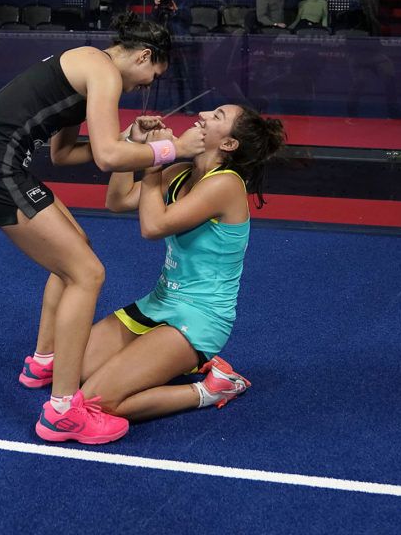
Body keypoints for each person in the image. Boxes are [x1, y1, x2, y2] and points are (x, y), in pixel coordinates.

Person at [0, 13, 205, 445]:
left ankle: (44, 361)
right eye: (149, 78)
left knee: (77, 252)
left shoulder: (85, 66)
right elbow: (106, 157)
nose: (143, 88)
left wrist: (131, 139)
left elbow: (65, 153)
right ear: (143, 55)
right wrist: (171, 149)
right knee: (87, 273)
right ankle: (63, 412)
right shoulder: (103, 71)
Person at [21, 105, 286, 426]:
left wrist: (155, 160)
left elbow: (153, 226)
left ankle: (213, 388)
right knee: (70, 366)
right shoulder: (181, 173)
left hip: (200, 317)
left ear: (229, 145)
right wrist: (137, 145)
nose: (202, 114)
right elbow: (117, 202)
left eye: (217, 116)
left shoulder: (226, 185)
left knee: (94, 399)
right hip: (158, 303)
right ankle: (175, 361)